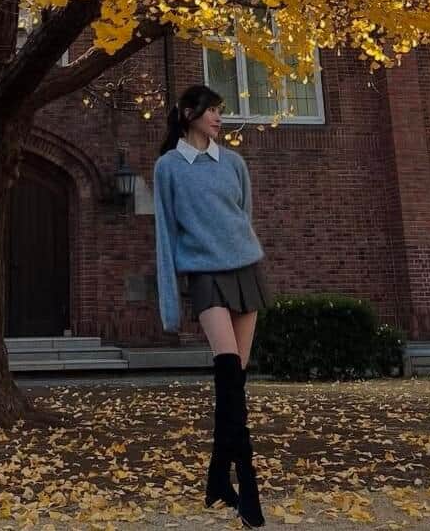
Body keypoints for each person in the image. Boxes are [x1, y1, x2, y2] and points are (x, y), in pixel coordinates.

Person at [154, 83, 270, 528]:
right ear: (189, 114)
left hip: (246, 271)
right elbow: (165, 237)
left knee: (234, 384)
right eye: (212, 110)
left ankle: (219, 479)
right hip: (204, 277)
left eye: (220, 110)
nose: (219, 117)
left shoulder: (234, 163)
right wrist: (169, 306)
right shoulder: (169, 167)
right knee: (227, 371)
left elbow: (245, 218)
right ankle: (249, 487)